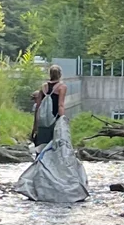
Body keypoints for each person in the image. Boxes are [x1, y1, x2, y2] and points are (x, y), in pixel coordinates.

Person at [15, 64, 89, 203]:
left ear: (50, 74)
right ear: (60, 74)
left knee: (40, 155)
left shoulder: (43, 87)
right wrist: (63, 121)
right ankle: (58, 186)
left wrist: (35, 127)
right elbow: (60, 105)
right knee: (57, 153)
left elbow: (38, 107)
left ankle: (36, 187)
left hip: (43, 124)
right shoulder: (62, 87)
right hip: (54, 123)